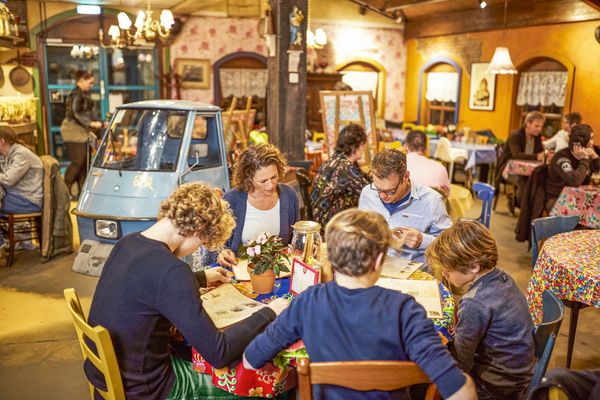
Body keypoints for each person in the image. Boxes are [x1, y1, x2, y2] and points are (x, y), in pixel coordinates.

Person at [243, 208, 477, 400]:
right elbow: (461, 393)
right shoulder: (405, 310)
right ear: (378, 260)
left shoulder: (308, 302)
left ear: (331, 258)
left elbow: (251, 360)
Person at [84, 183, 289, 399]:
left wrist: (200, 277)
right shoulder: (172, 271)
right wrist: (269, 312)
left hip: (111, 377)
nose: (196, 248)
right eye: (203, 241)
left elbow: (147, 284)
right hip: (150, 389)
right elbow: (220, 353)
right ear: (198, 230)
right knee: (270, 382)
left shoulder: (127, 244)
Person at [426, 220, 535, 400]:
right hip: (519, 371)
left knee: (422, 379)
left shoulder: (474, 303)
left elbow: (461, 363)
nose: (445, 275)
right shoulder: (503, 277)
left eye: (448, 270)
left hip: (495, 385)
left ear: (474, 266)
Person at [358, 149, 452, 262]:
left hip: (413, 272)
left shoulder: (432, 201)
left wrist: (422, 241)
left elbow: (449, 245)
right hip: (373, 266)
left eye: (390, 191)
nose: (382, 196)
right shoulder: (367, 193)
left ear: (406, 176)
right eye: (377, 189)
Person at [216, 144, 299, 267]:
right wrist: (221, 252)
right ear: (248, 178)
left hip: (279, 272)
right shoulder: (232, 200)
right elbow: (215, 241)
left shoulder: (289, 195)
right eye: (263, 181)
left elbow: (296, 237)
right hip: (240, 272)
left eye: (274, 177)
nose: (271, 185)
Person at [310, 123, 370, 226]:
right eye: (362, 145)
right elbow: (368, 192)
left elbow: (364, 178)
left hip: (319, 219)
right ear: (354, 146)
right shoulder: (345, 168)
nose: (364, 149)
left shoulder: (335, 159)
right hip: (329, 225)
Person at [61, 70, 103, 198]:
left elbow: (87, 112)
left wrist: (99, 122)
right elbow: (75, 113)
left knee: (85, 162)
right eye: (90, 83)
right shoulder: (76, 94)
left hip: (83, 130)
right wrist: (91, 123)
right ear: (82, 80)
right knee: (78, 161)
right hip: (74, 130)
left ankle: (82, 192)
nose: (91, 85)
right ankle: (64, 189)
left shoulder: (83, 94)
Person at [0, 126, 43, 250]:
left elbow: (8, 180)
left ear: (2, 141)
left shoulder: (21, 154)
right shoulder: (8, 154)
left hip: (28, 201)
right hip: (18, 197)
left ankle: (1, 242)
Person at [495, 111, 546, 209]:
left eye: (541, 126)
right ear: (528, 124)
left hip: (528, 170)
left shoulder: (537, 137)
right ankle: (522, 207)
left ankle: (530, 207)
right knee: (525, 180)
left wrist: (545, 155)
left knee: (540, 178)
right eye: (536, 126)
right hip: (509, 171)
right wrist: (537, 157)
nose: (539, 129)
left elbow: (540, 152)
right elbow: (516, 155)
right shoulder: (516, 136)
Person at [546, 124, 600, 211]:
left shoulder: (588, 155)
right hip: (558, 199)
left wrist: (595, 157)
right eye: (588, 139)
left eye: (592, 138)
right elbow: (575, 181)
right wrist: (584, 159)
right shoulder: (561, 157)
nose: (591, 142)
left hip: (581, 198)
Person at [404, 129, 451, 195]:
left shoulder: (397, 166)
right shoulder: (440, 168)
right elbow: (446, 194)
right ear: (426, 149)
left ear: (405, 147)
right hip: (432, 204)